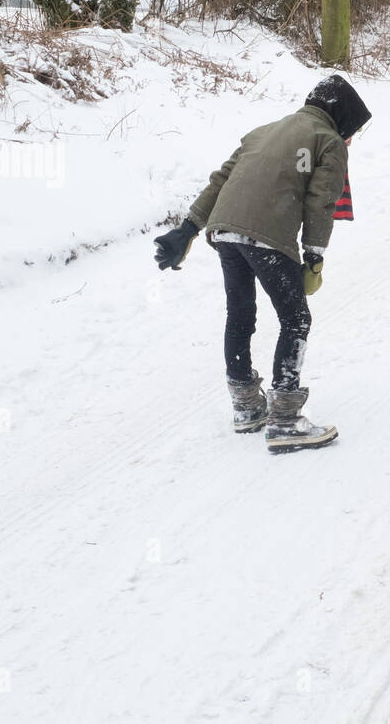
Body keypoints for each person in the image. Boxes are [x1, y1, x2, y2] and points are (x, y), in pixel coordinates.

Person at [152, 75, 372, 453]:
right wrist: (314, 257)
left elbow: (221, 180)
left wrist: (188, 228)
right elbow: (321, 201)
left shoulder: (263, 131)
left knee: (239, 316)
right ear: (342, 117)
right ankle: (285, 418)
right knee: (296, 318)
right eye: (353, 130)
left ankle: (246, 407)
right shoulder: (329, 142)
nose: (351, 139)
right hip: (266, 235)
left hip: (223, 232)